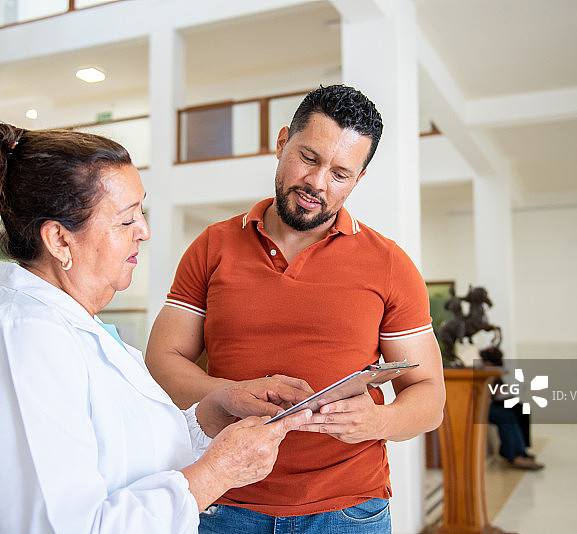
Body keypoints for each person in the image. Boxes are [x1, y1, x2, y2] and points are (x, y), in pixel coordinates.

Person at [0, 122, 313, 534]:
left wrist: (210, 415)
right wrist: (218, 472)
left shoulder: (66, 324)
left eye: (141, 212)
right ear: (59, 240)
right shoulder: (17, 342)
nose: (144, 231)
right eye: (127, 220)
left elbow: (127, 453)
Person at [146, 85, 446, 533]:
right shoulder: (212, 247)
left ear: (359, 179)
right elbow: (161, 360)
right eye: (309, 158)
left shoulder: (389, 263)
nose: (317, 183)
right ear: (283, 141)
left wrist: (379, 420)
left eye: (340, 174)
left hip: (348, 513)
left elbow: (429, 397)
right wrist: (227, 394)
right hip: (222, 500)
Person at [480, 347, 543, 470]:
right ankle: (514, 455)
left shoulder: (493, 373)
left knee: (521, 409)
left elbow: (497, 391)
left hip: (492, 403)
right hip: (484, 406)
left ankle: (520, 451)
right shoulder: (485, 372)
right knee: (507, 416)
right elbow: (493, 393)